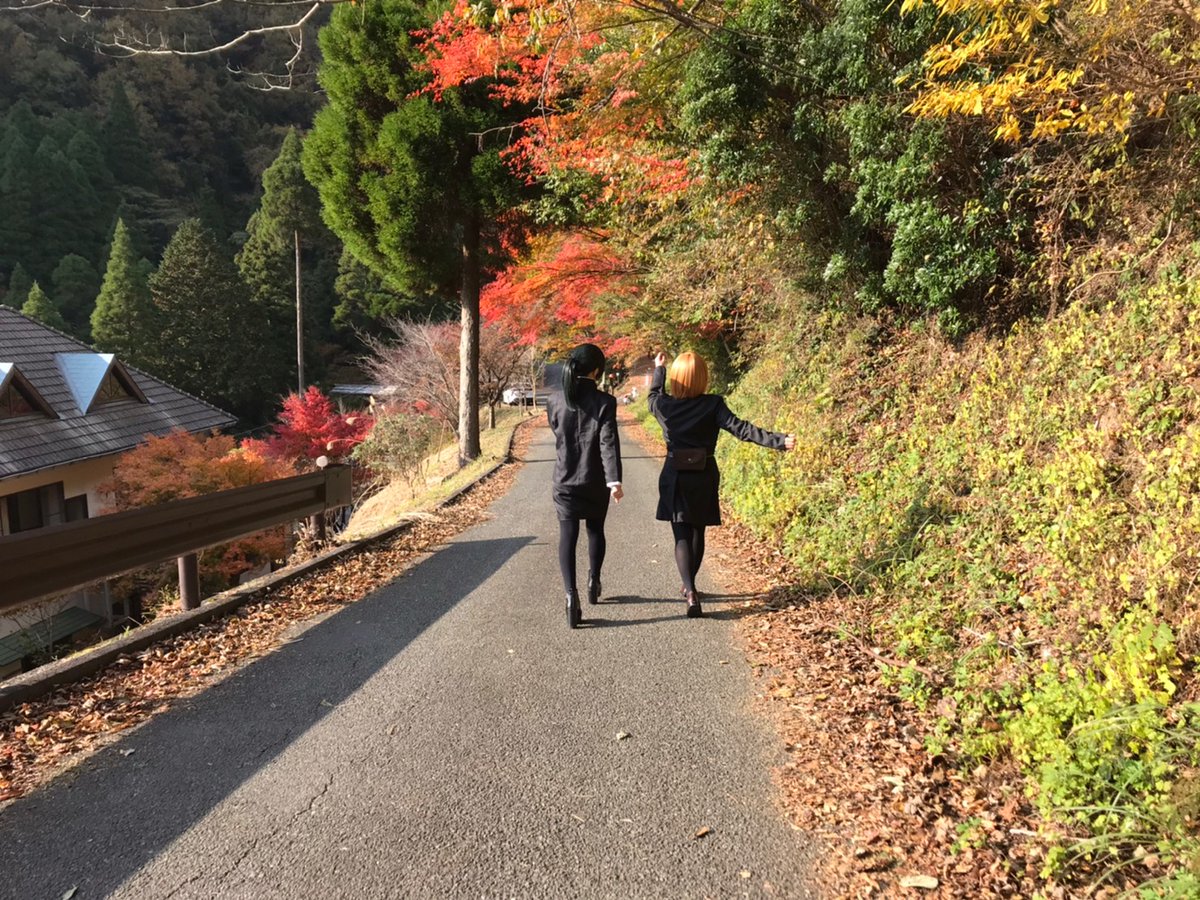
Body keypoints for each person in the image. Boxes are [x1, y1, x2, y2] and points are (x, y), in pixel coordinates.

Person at [648, 351, 795, 618]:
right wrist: (779, 441)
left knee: (681, 534)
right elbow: (741, 429)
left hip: (674, 474)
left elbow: (652, 395)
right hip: (703, 473)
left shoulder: (664, 405)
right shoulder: (713, 404)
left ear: (676, 378)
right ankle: (690, 585)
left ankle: (690, 591)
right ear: (702, 378)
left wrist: (659, 369)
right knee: (698, 531)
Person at [546, 343, 624, 628]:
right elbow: (608, 443)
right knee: (595, 530)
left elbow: (557, 432)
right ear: (596, 371)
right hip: (595, 480)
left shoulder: (555, 400)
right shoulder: (605, 402)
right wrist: (614, 481)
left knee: (567, 536)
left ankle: (571, 596)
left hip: (564, 479)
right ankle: (594, 580)